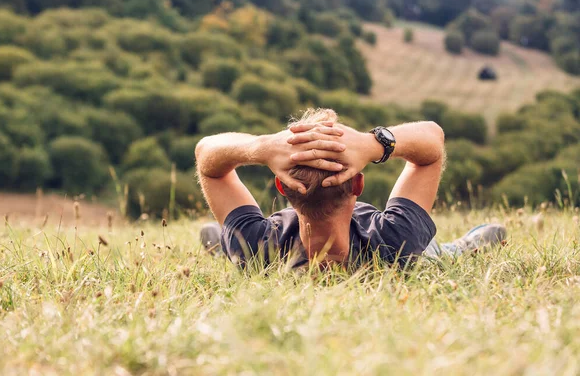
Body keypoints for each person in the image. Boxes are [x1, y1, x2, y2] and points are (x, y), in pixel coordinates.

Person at [195, 109, 506, 269]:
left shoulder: (257, 248)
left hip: (250, 246)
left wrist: (260, 147)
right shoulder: (394, 242)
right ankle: (466, 246)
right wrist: (375, 144)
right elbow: (432, 141)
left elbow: (207, 155)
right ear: (358, 183)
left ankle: (222, 243)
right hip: (401, 243)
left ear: (282, 186)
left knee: (234, 246)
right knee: (437, 253)